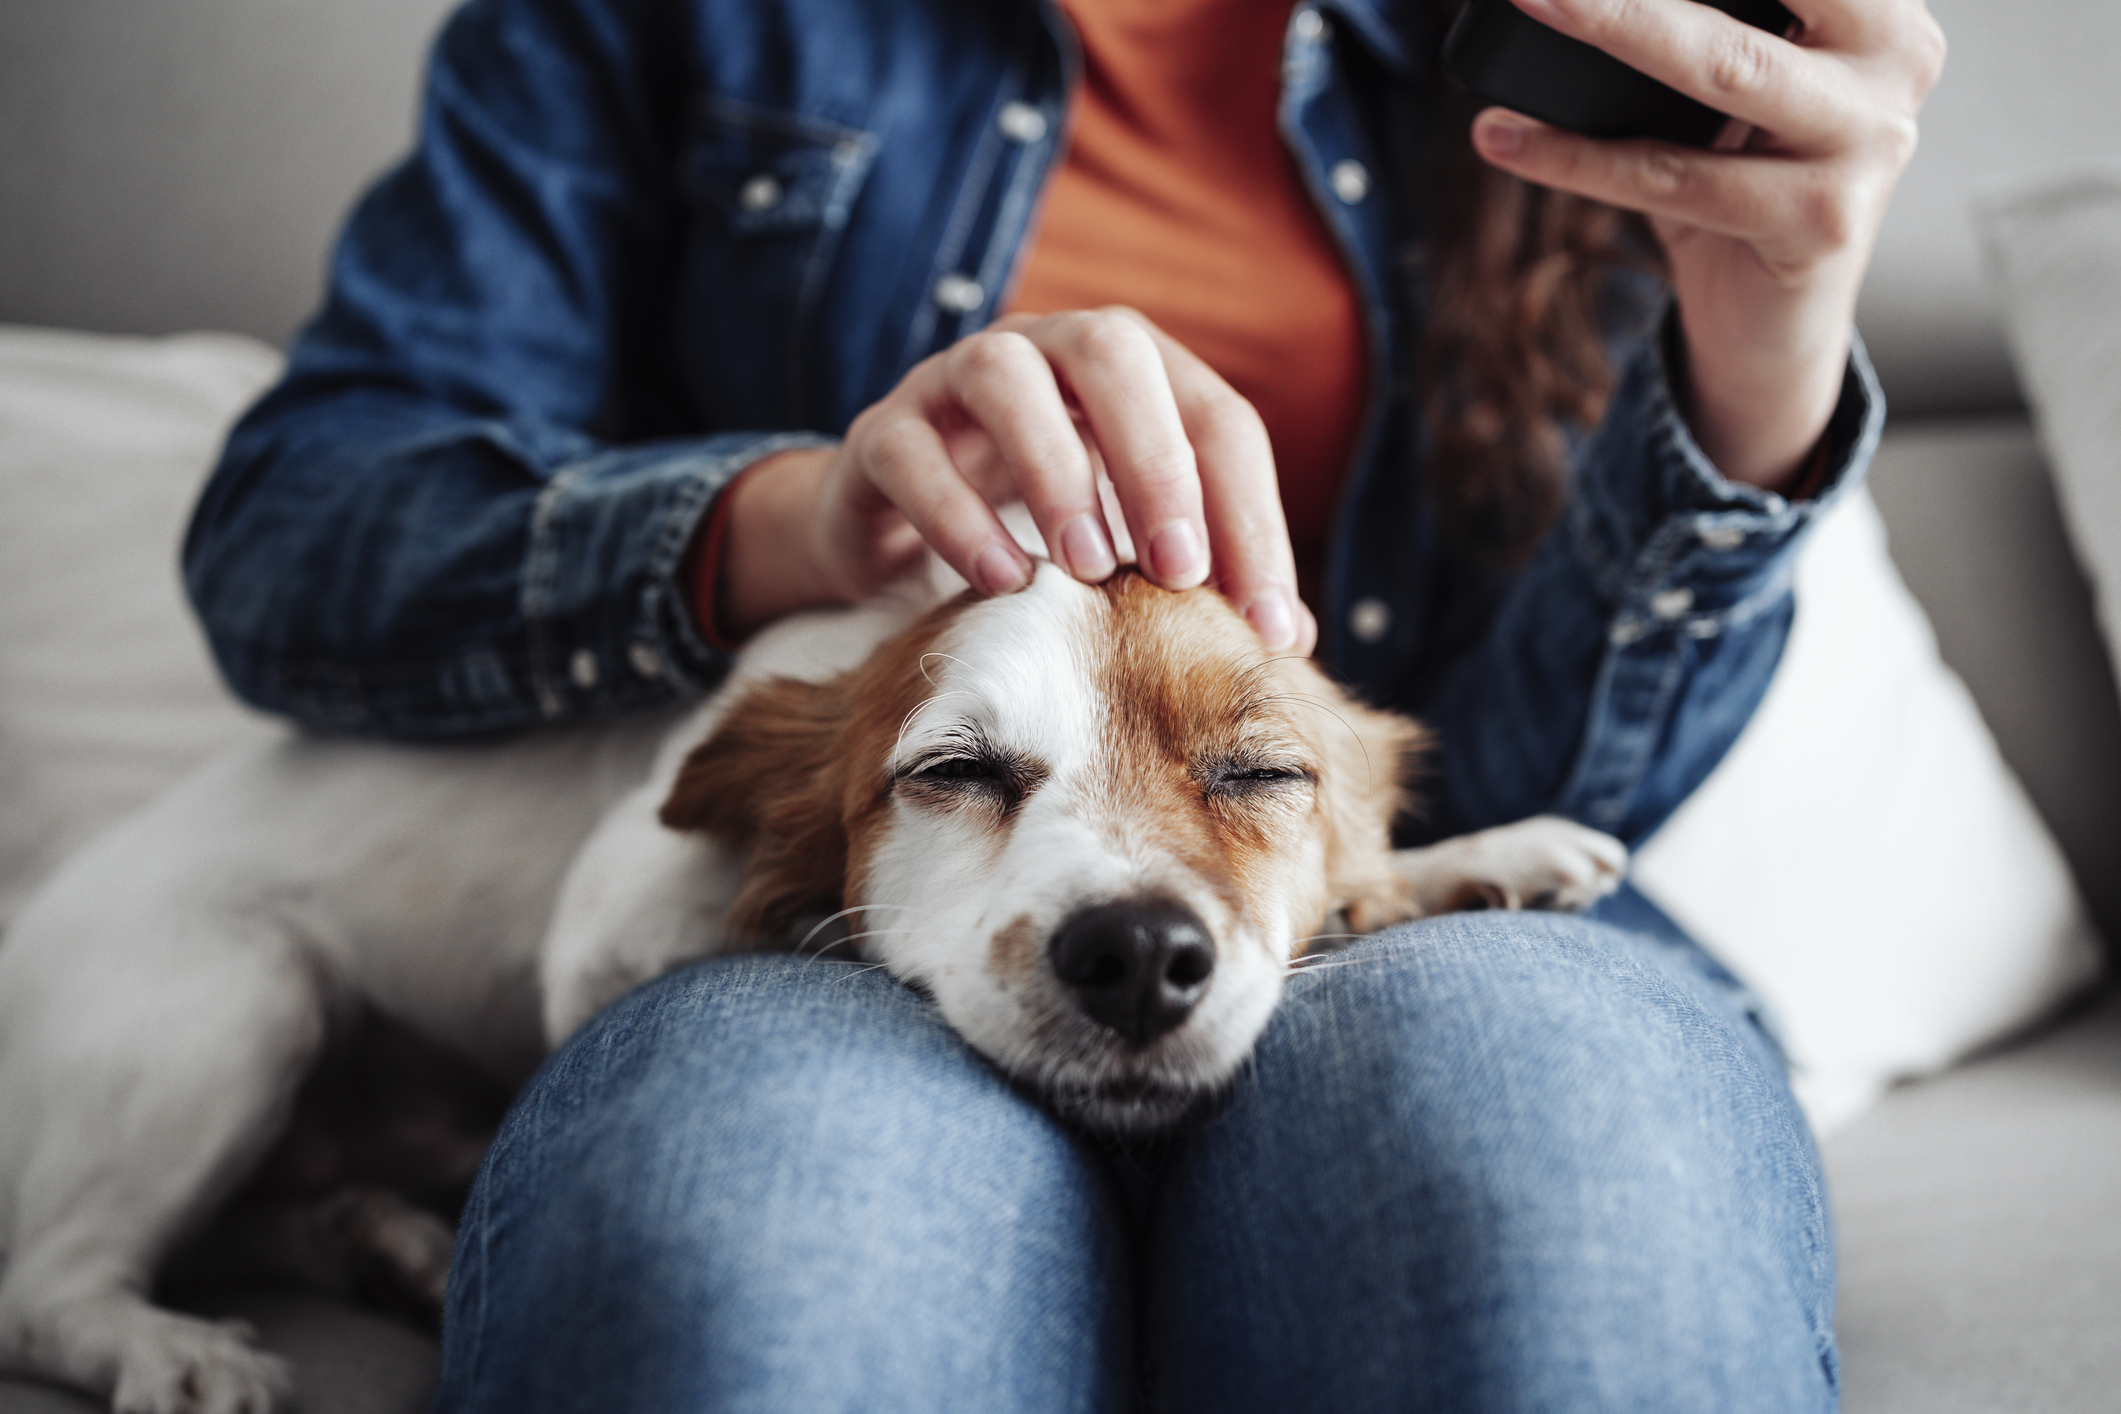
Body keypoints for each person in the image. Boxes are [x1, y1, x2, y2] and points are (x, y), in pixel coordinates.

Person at [182, 0, 1943, 1407]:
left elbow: (1522, 788)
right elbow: (289, 534)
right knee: (767, 1219)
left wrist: (1760, 359)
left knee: (1530, 1131)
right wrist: (795, 517)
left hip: (1369, 925)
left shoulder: (1578, 54)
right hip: (857, 947)